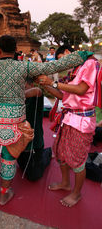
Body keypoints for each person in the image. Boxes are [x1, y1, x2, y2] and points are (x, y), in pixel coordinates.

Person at [0, 35, 93, 205]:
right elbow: (53, 66)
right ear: (15, 50)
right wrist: (79, 56)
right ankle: (4, 194)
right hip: (15, 123)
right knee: (8, 159)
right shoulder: (25, 66)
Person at [38, 45, 99, 207]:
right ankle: (65, 183)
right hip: (69, 117)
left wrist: (54, 83)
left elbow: (81, 89)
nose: (63, 65)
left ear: (67, 53)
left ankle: (77, 194)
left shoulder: (90, 63)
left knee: (78, 159)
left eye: (61, 61)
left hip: (82, 121)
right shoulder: (75, 69)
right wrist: (45, 84)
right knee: (59, 152)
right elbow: (62, 94)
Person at [17, 77, 52, 181]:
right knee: (21, 167)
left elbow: (38, 91)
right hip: (21, 144)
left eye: (24, 87)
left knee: (34, 176)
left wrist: (15, 96)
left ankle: (47, 153)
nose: (21, 90)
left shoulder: (36, 96)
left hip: (35, 144)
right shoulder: (19, 101)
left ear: (31, 85)